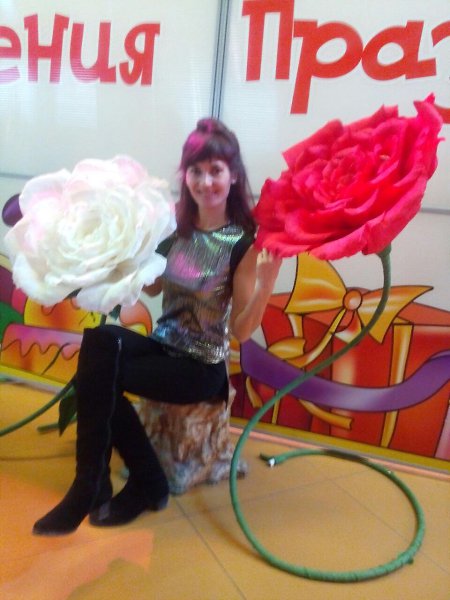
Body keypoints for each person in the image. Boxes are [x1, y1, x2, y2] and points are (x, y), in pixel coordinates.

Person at [33, 118, 282, 536]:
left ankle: (118, 484)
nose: (205, 182)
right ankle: (104, 483)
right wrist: (115, 255)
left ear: (234, 175)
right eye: (196, 170)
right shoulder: (175, 228)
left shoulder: (242, 242)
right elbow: (148, 284)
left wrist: (265, 286)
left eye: (216, 170)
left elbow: (241, 332)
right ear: (185, 176)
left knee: (100, 377)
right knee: (99, 342)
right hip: (164, 343)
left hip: (199, 365)